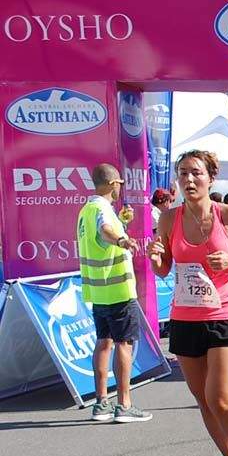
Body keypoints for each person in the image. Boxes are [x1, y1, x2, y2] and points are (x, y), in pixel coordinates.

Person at [148, 150, 228, 456]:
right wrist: (156, 258)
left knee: (221, 398)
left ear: (210, 178)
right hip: (184, 317)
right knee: (203, 398)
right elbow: (163, 267)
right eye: (182, 173)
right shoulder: (168, 219)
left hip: (224, 315)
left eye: (196, 173)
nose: (189, 179)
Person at [77, 163, 152, 423]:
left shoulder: (86, 209)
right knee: (124, 343)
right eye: (119, 182)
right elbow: (105, 231)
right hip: (118, 289)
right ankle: (124, 404)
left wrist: (122, 224)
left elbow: (101, 235)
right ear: (112, 184)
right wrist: (121, 239)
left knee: (104, 342)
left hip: (99, 290)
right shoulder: (101, 209)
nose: (121, 186)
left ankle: (101, 403)